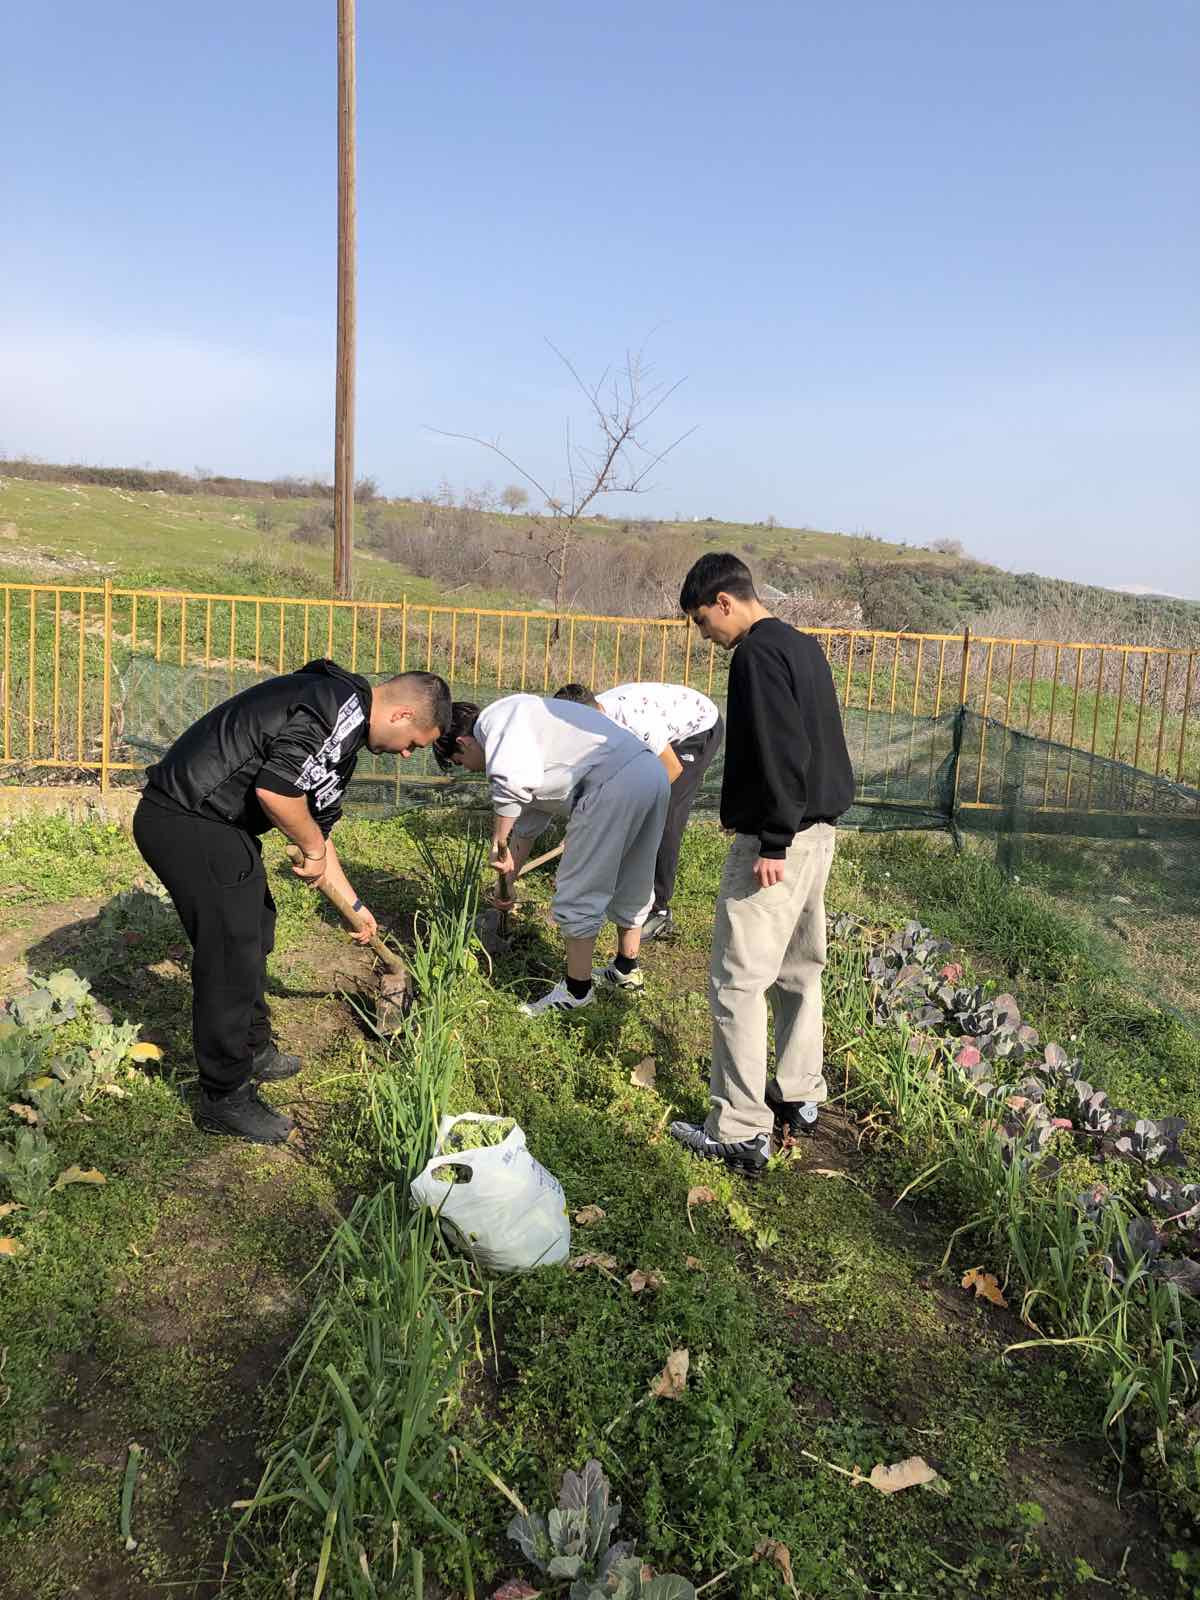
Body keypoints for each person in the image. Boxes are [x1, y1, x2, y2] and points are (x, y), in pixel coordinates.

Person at [133, 660, 451, 1144]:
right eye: (414, 743)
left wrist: (356, 909)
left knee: (256, 930)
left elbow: (317, 834)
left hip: (219, 825)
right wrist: (313, 848)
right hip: (187, 816)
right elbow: (278, 792)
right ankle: (224, 1094)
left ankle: (253, 1047)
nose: (407, 755)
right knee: (231, 954)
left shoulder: (344, 736)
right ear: (402, 714)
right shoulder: (336, 708)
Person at [666, 554, 854, 1178]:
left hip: (782, 841)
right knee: (800, 968)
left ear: (724, 602)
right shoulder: (801, 644)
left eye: (702, 621)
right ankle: (798, 1093)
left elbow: (781, 748)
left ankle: (741, 1130)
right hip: (819, 834)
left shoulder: (755, 654)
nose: (705, 636)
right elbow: (818, 743)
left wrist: (771, 839)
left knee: (738, 983)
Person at [433, 693, 669, 1016]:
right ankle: (626, 970)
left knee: (578, 892)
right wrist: (509, 880)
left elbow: (509, 787)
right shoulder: (524, 728)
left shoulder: (495, 723)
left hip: (611, 785)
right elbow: (528, 823)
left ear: (463, 743)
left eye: (460, 762)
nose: (469, 769)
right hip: (650, 772)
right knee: (635, 878)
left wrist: (498, 844)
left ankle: (577, 993)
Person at [553, 680, 723, 940]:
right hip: (662, 724)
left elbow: (671, 770)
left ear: (589, 716)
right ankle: (620, 883)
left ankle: (658, 909)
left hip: (697, 727)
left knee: (665, 812)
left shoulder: (633, 721)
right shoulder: (591, 723)